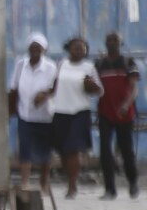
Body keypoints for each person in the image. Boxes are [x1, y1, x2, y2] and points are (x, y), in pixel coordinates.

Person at [51, 36, 102, 199]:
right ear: (69, 49)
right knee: (63, 150)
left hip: (79, 111)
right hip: (60, 110)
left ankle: (72, 186)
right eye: (75, 47)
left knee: (73, 149)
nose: (79, 50)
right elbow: (53, 85)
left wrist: (90, 85)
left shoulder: (89, 67)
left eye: (82, 48)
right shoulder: (61, 64)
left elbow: (99, 91)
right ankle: (70, 178)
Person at [9, 33, 58, 193]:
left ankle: (44, 182)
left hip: (45, 115)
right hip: (25, 113)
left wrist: (44, 95)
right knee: (25, 148)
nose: (35, 51)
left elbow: (55, 88)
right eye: (32, 48)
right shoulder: (20, 64)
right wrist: (11, 108)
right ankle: (25, 182)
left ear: (44, 50)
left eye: (39, 48)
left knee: (45, 150)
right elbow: (14, 87)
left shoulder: (50, 67)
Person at [95, 31, 140, 199]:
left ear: (120, 43)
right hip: (105, 112)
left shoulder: (128, 63)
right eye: (109, 39)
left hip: (124, 114)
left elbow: (134, 87)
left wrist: (126, 104)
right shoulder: (99, 64)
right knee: (105, 151)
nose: (111, 42)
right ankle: (109, 189)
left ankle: (133, 183)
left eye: (115, 40)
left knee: (126, 150)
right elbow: (92, 85)